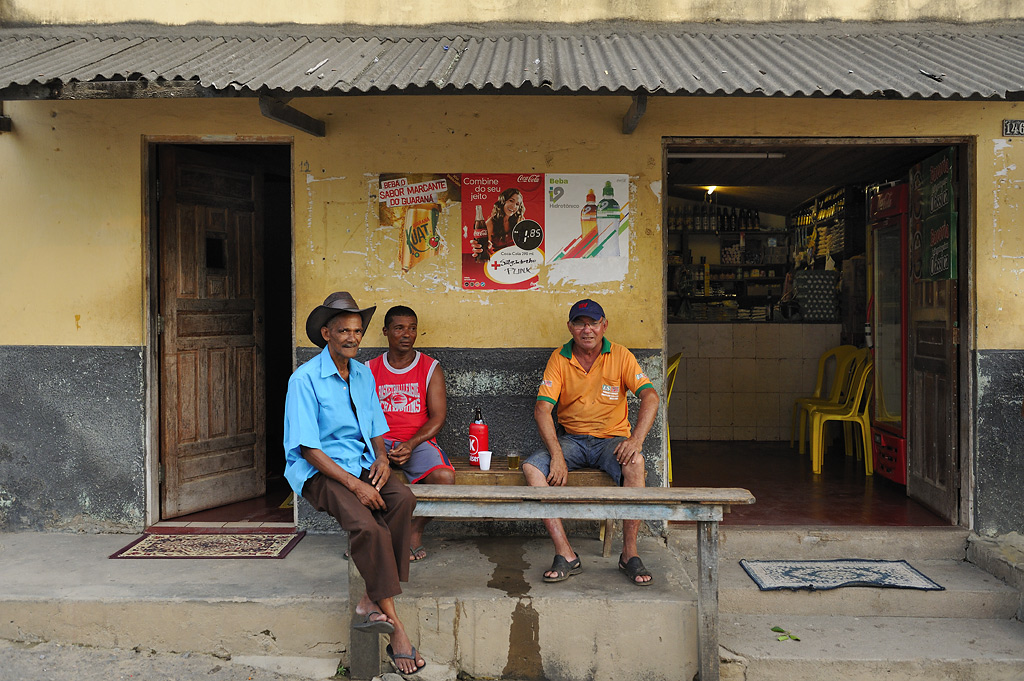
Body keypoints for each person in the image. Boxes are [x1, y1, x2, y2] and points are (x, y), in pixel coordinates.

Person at [283, 291, 426, 675]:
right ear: (326, 333)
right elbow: (309, 448)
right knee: (368, 527)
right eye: (344, 330)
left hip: (362, 463)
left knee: (403, 500)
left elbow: (376, 425)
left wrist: (381, 459)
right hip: (320, 472)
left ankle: (369, 598)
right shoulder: (305, 379)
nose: (352, 338)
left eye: (358, 331)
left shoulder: (362, 374)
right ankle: (398, 629)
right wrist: (355, 485)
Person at [522, 298, 660, 586]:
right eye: (580, 323)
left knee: (635, 463)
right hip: (571, 440)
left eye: (593, 323)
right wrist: (557, 455)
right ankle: (566, 553)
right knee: (533, 469)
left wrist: (635, 440)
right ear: (570, 327)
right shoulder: (560, 358)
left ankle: (629, 554)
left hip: (611, 441)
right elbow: (542, 409)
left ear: (604, 326)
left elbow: (650, 396)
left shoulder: (621, 355)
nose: (587, 329)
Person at [367, 305, 455, 562]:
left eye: (412, 328)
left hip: (417, 440)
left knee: (444, 480)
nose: (407, 334)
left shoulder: (430, 367)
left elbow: (438, 416)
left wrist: (411, 443)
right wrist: (381, 452)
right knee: (355, 476)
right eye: (399, 328)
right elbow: (365, 417)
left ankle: (413, 532)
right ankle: (368, 536)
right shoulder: (369, 369)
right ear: (386, 332)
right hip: (377, 441)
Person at [471, 187, 525, 257]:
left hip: (515, 260)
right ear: (503, 201)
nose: (514, 206)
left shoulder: (519, 221)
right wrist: (482, 247)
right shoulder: (491, 223)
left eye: (517, 204)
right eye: (511, 201)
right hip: (496, 261)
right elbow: (485, 246)